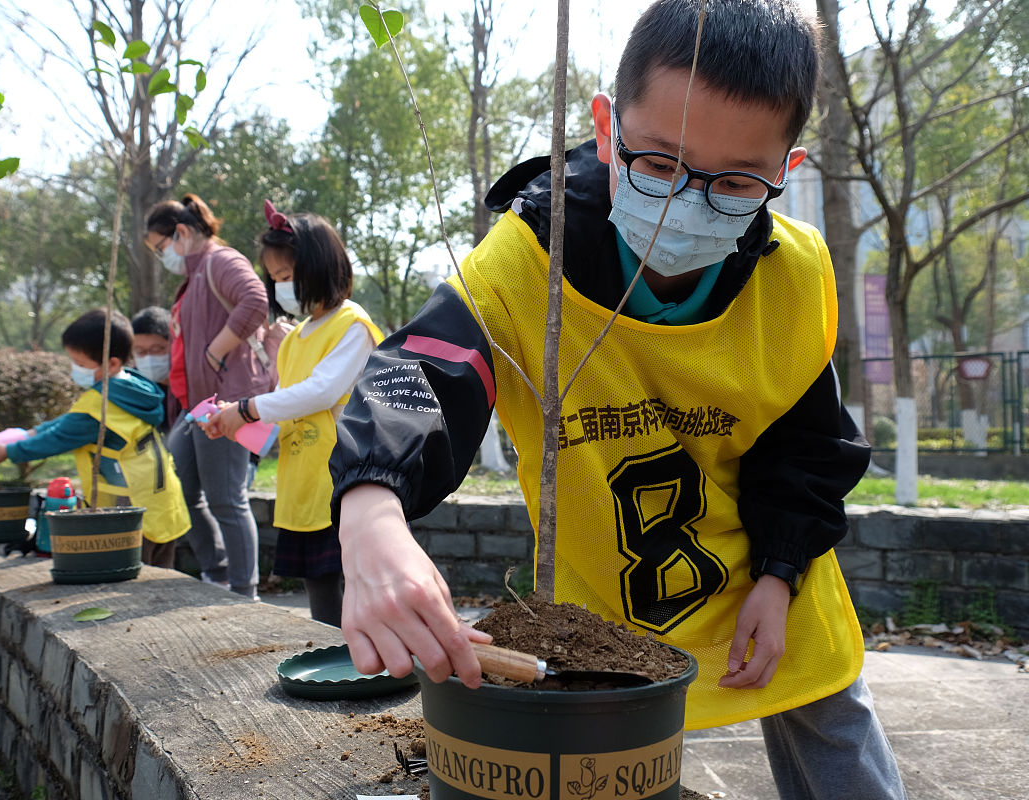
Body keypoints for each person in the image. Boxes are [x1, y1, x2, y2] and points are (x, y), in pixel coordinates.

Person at [326, 1, 907, 798]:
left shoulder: (796, 274)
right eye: (660, 165)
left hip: (776, 581)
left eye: (735, 183)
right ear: (606, 127)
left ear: (785, 172)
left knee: (833, 726)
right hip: (610, 602)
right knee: (610, 767)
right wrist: (370, 513)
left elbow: (805, 445)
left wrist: (779, 573)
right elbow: (423, 369)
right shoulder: (529, 260)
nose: (685, 204)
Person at [202, 202, 382, 627]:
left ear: (319, 266)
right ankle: (332, 658)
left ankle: (368, 661)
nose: (281, 286)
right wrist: (233, 422)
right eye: (276, 278)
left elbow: (320, 393)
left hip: (342, 479)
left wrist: (244, 409)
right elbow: (285, 405)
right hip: (304, 480)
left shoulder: (353, 326)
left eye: (287, 276)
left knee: (355, 580)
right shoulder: (294, 337)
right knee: (318, 582)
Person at [0, 309, 190, 568]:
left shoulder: (100, 407)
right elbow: (68, 421)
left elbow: (60, 436)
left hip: (132, 514)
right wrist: (32, 431)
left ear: (112, 363)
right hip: (164, 505)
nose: (74, 369)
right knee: (162, 578)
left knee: (129, 583)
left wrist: (7, 452)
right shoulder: (135, 388)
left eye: (79, 363)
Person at [144, 193, 270, 599]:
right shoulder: (193, 276)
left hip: (225, 401)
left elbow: (255, 300)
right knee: (178, 484)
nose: (161, 256)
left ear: (180, 233)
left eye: (160, 247)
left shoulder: (221, 261)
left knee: (226, 499)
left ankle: (243, 590)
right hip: (194, 406)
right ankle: (216, 573)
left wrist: (216, 350)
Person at [130, 306, 182, 433]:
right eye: (140, 351)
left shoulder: (192, 386)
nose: (149, 358)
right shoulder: (132, 388)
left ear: (174, 345)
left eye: (157, 349)